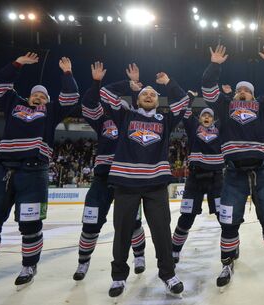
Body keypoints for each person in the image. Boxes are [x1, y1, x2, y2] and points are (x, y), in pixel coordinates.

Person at [201, 44, 264, 288]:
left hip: (262, 173)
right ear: (234, 95)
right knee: (229, 222)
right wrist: (214, 65)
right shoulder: (225, 106)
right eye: (239, 90)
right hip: (233, 174)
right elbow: (207, 87)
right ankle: (227, 262)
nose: (242, 92)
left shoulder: (263, 106)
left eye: (247, 90)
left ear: (253, 95)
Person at [100, 64, 186, 297]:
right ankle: (118, 277)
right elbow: (105, 94)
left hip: (155, 185)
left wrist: (168, 83)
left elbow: (183, 102)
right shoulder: (125, 115)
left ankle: (168, 274)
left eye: (152, 94)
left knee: (161, 232)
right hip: (126, 184)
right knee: (122, 233)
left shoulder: (165, 120)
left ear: (158, 101)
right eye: (144, 94)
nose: (148, 95)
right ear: (137, 100)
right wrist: (128, 84)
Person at [0, 53, 79, 288]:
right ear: (28, 96)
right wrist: (17, 64)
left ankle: (29, 264)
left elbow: (71, 97)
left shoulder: (51, 111)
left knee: (30, 224)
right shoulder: (14, 103)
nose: (38, 97)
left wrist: (67, 74)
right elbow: (0, 83)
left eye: (42, 95)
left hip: (34, 172)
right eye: (35, 94)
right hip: (2, 170)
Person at [72, 62, 146, 281]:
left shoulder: (132, 120)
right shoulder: (101, 119)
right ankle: (83, 262)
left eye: (121, 107)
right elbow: (88, 103)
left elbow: (141, 107)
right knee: (91, 221)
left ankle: (139, 256)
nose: (117, 109)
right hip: (102, 178)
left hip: (126, 179)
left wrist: (136, 90)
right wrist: (96, 83)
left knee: (133, 223)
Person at [171, 103, 227, 263]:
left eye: (209, 115)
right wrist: (188, 98)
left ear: (213, 119)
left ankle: (231, 247)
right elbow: (184, 110)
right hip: (195, 178)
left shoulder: (220, 129)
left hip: (216, 178)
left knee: (222, 216)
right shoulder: (194, 127)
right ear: (199, 118)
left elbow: (227, 113)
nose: (207, 117)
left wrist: (228, 97)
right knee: (187, 217)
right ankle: (174, 250)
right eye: (204, 115)